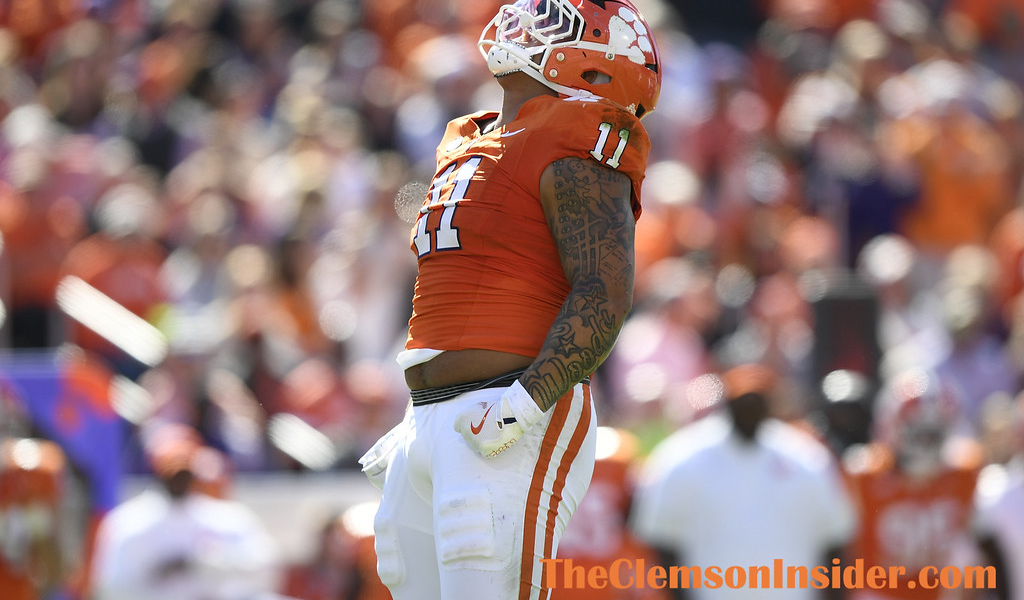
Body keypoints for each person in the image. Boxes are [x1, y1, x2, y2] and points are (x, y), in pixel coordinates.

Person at [360, 1, 661, 599]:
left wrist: (524, 404)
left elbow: (604, 293)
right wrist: (419, 416)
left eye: (557, 21)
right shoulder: (469, 140)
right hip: (433, 417)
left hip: (509, 410)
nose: (531, 17)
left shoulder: (575, 136)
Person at [630, 364, 856, 600]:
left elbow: (835, 542)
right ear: (726, 402)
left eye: (756, 400)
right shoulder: (683, 459)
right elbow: (661, 543)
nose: (749, 409)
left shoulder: (806, 459)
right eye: (742, 401)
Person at [90, 424, 279, 600]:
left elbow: (266, 567)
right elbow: (110, 588)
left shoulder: (226, 517)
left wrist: (201, 565)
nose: (178, 472)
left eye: (185, 462)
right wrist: (155, 576)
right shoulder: (129, 523)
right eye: (171, 461)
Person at [843, 368, 982, 600]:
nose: (925, 444)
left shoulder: (964, 472)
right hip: (879, 595)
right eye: (918, 433)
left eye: (932, 434)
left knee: (968, 555)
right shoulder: (864, 475)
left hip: (939, 595)